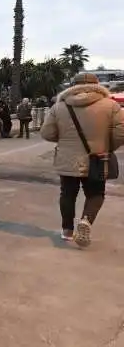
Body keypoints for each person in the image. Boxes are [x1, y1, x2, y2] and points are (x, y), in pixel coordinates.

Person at [40, 72, 124, 246]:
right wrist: (107, 147)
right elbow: (120, 132)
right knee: (96, 193)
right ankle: (86, 220)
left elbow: (47, 133)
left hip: (67, 158)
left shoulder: (59, 106)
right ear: (97, 84)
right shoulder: (111, 106)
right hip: (98, 158)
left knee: (67, 193)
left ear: (73, 86)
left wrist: (65, 140)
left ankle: (67, 231)